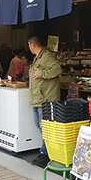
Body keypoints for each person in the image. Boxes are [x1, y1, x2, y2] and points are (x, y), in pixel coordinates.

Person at [28, 36, 62, 167]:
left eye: (29, 45)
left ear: (32, 44)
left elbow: (57, 70)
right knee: (38, 124)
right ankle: (49, 149)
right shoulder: (38, 58)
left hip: (46, 98)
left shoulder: (47, 56)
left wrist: (41, 73)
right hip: (37, 98)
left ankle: (45, 153)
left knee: (45, 126)